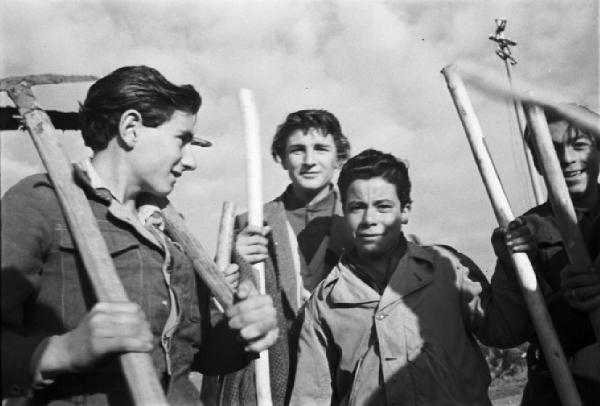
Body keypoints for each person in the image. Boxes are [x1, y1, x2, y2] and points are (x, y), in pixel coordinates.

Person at [1, 65, 278, 405]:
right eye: (182, 139)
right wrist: (61, 352)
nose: (190, 161)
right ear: (131, 128)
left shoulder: (170, 233)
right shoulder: (41, 202)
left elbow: (199, 356)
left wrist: (242, 331)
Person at [290, 149, 494, 406]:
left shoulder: (447, 268)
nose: (369, 220)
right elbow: (310, 398)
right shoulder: (324, 303)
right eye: (357, 207)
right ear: (344, 211)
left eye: (383, 207)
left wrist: (512, 257)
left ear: (405, 210)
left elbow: (503, 330)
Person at [209, 110, 353, 405]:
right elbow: (216, 309)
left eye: (321, 149)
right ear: (282, 158)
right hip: (271, 380)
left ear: (339, 157)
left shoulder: (359, 226)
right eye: (297, 150)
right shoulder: (251, 225)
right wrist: (236, 259)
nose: (309, 160)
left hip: (342, 377)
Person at [490, 106, 600, 405]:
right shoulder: (526, 231)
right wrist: (513, 265)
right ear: (537, 162)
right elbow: (505, 332)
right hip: (560, 392)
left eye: (579, 145)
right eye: (551, 151)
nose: (566, 159)